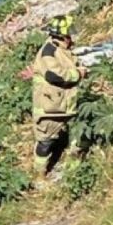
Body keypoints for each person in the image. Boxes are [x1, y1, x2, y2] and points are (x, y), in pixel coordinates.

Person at [30, 14, 87, 176]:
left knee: (77, 133)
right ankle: (39, 173)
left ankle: (73, 168)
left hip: (66, 104)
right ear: (62, 35)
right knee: (45, 142)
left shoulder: (63, 50)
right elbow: (54, 75)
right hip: (50, 108)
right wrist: (78, 74)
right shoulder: (48, 53)